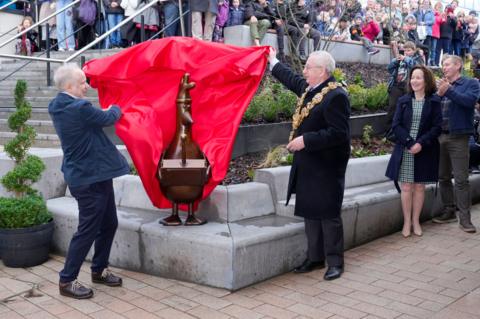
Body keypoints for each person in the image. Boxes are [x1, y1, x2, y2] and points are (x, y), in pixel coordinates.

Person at [267, 48, 350, 280]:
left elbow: (339, 133)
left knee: (328, 213)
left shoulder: (336, 96)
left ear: (322, 71)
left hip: (327, 166)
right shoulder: (312, 88)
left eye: (308, 68)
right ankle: (315, 258)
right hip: (308, 163)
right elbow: (293, 80)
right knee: (310, 211)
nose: (303, 71)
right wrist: (273, 61)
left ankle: (335, 262)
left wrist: (306, 140)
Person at [49, 64, 130, 299]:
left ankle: (99, 270)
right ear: (69, 86)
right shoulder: (80, 107)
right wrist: (116, 106)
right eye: (83, 82)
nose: (87, 86)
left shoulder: (58, 105)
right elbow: (108, 117)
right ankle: (67, 281)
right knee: (87, 230)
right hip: (88, 177)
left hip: (94, 174)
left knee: (109, 223)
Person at [385, 65, 442, 237]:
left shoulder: (434, 101)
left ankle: (416, 221)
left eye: (419, 77)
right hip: (406, 149)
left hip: (424, 149)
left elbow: (437, 127)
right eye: (413, 77)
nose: (414, 81)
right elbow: (396, 125)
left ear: (426, 81)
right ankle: (407, 222)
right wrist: (410, 143)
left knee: (419, 187)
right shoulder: (403, 101)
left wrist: (421, 144)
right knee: (406, 187)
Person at [432, 55, 480, 233]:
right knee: (443, 176)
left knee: (461, 180)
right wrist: (437, 94)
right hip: (441, 137)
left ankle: (465, 220)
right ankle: (449, 210)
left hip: (459, 137)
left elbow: (469, 102)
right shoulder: (441, 85)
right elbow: (433, 108)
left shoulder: (471, 83)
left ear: (458, 65)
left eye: (447, 64)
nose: (444, 68)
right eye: (443, 65)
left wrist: (448, 90)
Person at [386, 41, 424, 131]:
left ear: (414, 50)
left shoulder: (418, 58)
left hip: (409, 87)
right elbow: (390, 69)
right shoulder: (401, 59)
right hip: (397, 85)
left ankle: (404, 130)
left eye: (409, 50)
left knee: (407, 108)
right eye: (405, 50)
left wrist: (405, 59)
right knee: (392, 106)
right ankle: (389, 130)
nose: (407, 52)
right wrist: (395, 62)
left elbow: (417, 67)